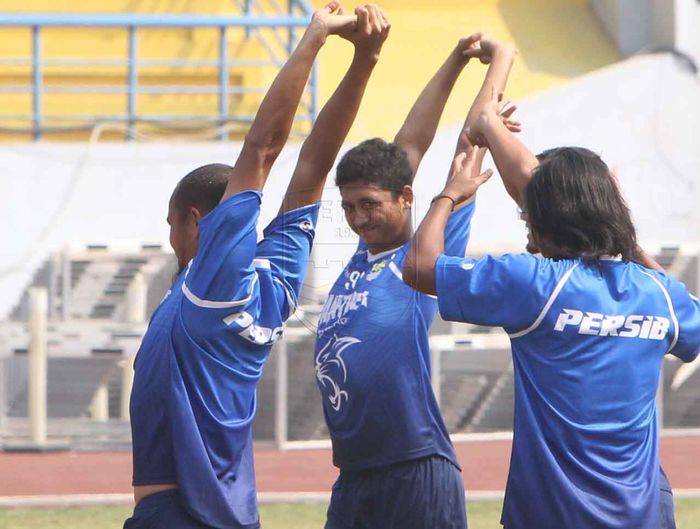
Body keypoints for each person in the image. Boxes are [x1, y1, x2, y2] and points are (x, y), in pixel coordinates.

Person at [125, 3, 389, 527]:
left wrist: (313, 37)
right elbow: (313, 166)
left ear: (197, 222)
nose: (171, 236)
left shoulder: (213, 284)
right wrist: (365, 59)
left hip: (174, 514)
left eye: (172, 222)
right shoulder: (275, 286)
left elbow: (264, 148)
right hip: (233, 514)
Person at [403, 95, 700, 528]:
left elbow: (418, 267)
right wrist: (627, 239)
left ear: (546, 218)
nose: (527, 229)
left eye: (529, 216)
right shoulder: (659, 294)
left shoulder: (535, 283)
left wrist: (449, 195)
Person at [313, 35, 519, 528]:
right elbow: (409, 142)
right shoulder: (360, 260)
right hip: (355, 477)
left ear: (406, 198)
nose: (358, 218)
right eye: (348, 208)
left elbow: (470, 142)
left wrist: (501, 60)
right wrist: (452, 60)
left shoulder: (423, 254)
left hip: (413, 468)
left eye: (369, 205)